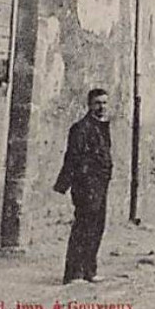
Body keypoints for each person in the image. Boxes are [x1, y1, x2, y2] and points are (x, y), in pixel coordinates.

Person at [53, 88, 113, 284]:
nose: (101, 107)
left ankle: (90, 270)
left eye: (104, 102)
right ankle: (74, 274)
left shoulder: (103, 126)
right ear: (89, 105)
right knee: (83, 227)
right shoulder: (81, 128)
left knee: (97, 227)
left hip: (100, 185)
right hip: (86, 185)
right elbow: (72, 158)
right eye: (97, 103)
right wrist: (64, 184)